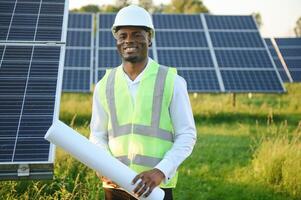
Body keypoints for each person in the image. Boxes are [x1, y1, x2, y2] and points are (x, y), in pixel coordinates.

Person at [89, 5, 196, 200]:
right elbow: (97, 135)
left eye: (137, 34)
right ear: (116, 41)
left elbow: (187, 135)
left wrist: (160, 171)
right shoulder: (104, 84)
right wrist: (104, 165)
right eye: (123, 36)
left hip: (155, 188)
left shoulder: (172, 81)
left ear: (149, 38)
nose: (129, 40)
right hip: (115, 188)